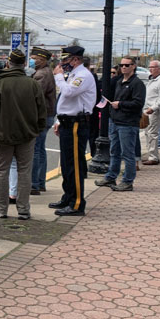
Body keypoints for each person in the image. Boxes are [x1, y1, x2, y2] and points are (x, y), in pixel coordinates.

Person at [0, 49, 46, 220]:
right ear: (23, 65)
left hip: (2, 134)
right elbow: (41, 111)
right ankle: (23, 209)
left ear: (8, 62)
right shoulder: (33, 84)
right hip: (27, 134)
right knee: (24, 171)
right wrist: (37, 129)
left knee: (2, 172)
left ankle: (0, 208)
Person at [49, 45, 96, 216]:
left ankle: (76, 204)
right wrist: (59, 120)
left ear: (75, 59)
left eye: (65, 60)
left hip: (77, 124)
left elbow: (68, 92)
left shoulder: (83, 75)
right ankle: (68, 197)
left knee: (74, 165)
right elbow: (67, 102)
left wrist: (59, 77)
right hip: (68, 122)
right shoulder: (74, 75)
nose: (62, 64)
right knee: (67, 164)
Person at [95, 57, 145, 192]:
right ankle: (111, 176)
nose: (123, 67)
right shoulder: (119, 82)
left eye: (127, 65)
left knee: (127, 153)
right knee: (114, 152)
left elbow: (138, 103)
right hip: (116, 121)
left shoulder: (137, 83)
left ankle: (128, 181)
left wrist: (120, 104)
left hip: (128, 123)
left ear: (133, 66)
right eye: (121, 65)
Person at [29, 47, 56, 195]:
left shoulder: (42, 74)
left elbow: (34, 94)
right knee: (40, 149)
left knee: (35, 150)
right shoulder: (42, 72)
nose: (32, 60)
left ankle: (34, 184)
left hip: (42, 115)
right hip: (47, 115)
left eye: (35, 58)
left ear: (43, 60)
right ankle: (39, 182)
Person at [141, 60, 160, 166]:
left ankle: (153, 157)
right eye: (149, 67)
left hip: (154, 111)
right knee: (147, 133)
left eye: (153, 67)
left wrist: (153, 108)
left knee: (152, 133)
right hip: (146, 110)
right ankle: (151, 154)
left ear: (159, 68)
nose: (150, 69)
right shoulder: (151, 80)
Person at [82, 57, 101, 157]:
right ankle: (94, 154)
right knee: (92, 134)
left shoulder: (79, 76)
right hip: (91, 109)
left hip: (83, 110)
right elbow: (97, 94)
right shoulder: (91, 76)